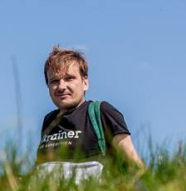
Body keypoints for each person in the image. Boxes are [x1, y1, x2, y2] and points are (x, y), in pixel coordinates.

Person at [35, 46, 145, 181]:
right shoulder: (49, 120)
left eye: (69, 78)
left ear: (85, 82)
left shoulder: (102, 112)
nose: (61, 87)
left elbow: (133, 162)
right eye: (54, 81)